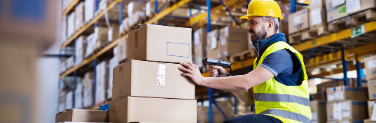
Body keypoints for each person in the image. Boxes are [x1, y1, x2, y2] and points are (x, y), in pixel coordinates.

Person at [178, 0, 311, 123]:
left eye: (253, 22)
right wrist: (226, 76)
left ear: (270, 25)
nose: (248, 27)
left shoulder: (281, 53)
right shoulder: (263, 57)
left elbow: (246, 82)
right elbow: (249, 99)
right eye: (249, 23)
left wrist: (201, 80)